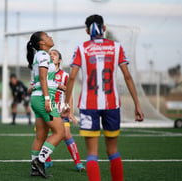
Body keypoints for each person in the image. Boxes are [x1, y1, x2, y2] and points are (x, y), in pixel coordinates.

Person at [61, 14, 144, 181]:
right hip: (112, 104)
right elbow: (127, 77)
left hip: (88, 105)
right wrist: (137, 104)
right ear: (104, 28)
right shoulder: (116, 47)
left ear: (87, 31)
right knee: (113, 150)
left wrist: (65, 104)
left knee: (92, 153)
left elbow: (71, 77)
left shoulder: (81, 48)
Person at [26, 31, 65, 178]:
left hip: (37, 98)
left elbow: (45, 79)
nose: (50, 37)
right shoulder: (43, 55)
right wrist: (48, 99)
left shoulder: (40, 55)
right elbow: (42, 77)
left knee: (41, 135)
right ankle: (39, 161)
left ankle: (35, 169)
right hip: (43, 99)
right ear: (41, 43)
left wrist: (58, 86)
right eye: (47, 36)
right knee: (60, 132)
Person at [42, 49, 85, 172]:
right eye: (50, 54)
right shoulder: (43, 73)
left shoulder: (65, 75)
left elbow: (69, 94)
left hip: (60, 110)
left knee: (66, 134)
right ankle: (48, 161)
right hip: (47, 109)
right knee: (43, 134)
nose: (51, 56)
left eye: (54, 54)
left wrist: (70, 111)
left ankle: (77, 163)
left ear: (59, 60)